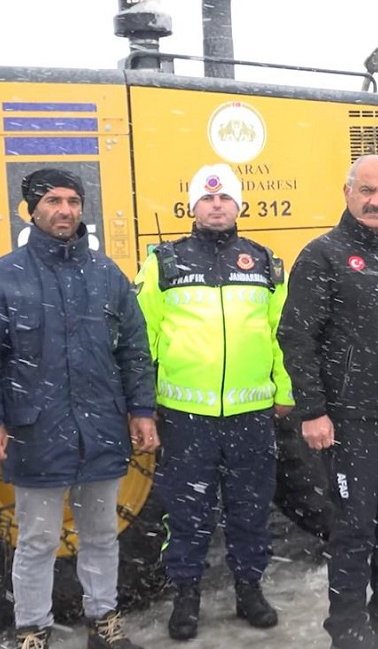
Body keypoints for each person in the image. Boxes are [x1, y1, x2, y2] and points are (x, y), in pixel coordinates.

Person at [0, 168, 158, 649]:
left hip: (101, 429)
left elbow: (133, 348)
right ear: (32, 209)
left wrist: (142, 409)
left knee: (101, 535)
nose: (65, 210)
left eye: (72, 201)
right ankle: (33, 630)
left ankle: (104, 622)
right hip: (36, 431)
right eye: (52, 200)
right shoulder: (4, 277)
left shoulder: (106, 274)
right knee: (36, 541)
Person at [277, 154, 378, 649]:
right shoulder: (322, 256)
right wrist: (314, 409)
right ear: (347, 193)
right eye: (367, 191)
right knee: (353, 529)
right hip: (351, 422)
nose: (376, 201)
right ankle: (347, 628)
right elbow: (296, 338)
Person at [134, 163, 293, 641]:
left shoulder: (266, 262)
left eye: (225, 198)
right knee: (186, 514)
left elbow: (281, 334)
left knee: (250, 509)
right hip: (186, 419)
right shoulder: (163, 262)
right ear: (192, 206)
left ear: (239, 205)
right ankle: (186, 596)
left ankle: (250, 589)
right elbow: (144, 339)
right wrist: (142, 404)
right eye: (207, 198)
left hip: (251, 416)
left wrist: (285, 391)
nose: (217, 205)